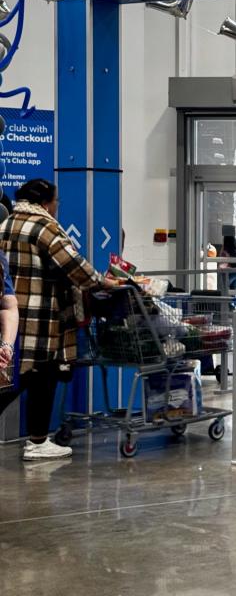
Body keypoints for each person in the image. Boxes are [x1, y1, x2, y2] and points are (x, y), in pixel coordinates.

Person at [0, 179, 102, 461]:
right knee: (42, 378)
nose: (57, 207)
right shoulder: (44, 227)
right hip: (41, 319)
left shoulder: (6, 224)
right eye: (56, 201)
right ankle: (37, 441)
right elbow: (74, 266)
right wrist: (101, 282)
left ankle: (37, 440)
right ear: (46, 202)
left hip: (9, 316)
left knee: (10, 378)